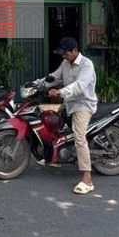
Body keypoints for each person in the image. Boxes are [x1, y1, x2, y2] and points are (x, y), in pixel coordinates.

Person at [44, 37, 99, 195]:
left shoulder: (86, 65)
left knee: (79, 136)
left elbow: (79, 86)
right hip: (69, 102)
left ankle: (87, 179)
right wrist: (38, 84)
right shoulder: (65, 63)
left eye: (66, 53)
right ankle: (54, 155)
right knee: (49, 118)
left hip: (83, 104)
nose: (63, 56)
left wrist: (60, 92)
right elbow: (54, 77)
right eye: (62, 54)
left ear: (75, 51)